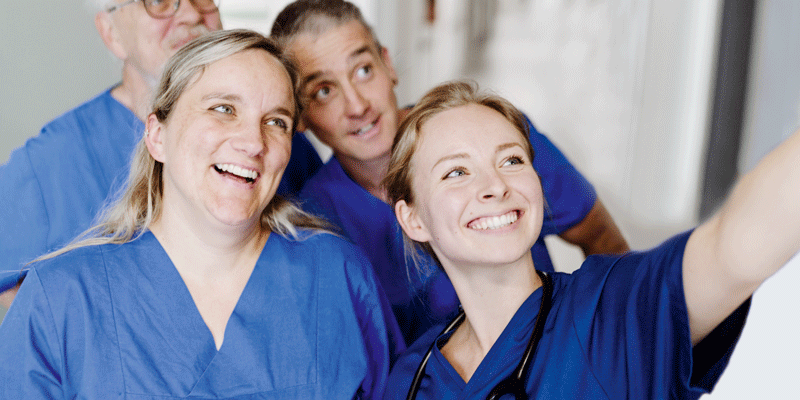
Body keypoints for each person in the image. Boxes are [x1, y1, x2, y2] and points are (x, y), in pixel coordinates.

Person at [0, 30, 399, 399]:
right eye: (224, 109)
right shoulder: (61, 300)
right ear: (157, 136)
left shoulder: (339, 278)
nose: (252, 142)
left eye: (276, 122)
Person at [381, 81, 799, 399]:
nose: (495, 185)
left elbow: (738, 245)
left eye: (511, 160)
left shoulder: (614, 309)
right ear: (413, 218)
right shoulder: (410, 380)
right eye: (456, 172)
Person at [270, 0, 629, 344]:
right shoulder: (316, 221)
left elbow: (601, 239)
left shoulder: (496, 137)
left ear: (388, 65)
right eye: (323, 91)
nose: (358, 105)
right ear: (299, 115)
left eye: (363, 71)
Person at [0, 0, 322, 307]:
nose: (192, 15)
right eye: (158, 1)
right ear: (112, 33)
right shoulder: (50, 161)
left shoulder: (276, 149)